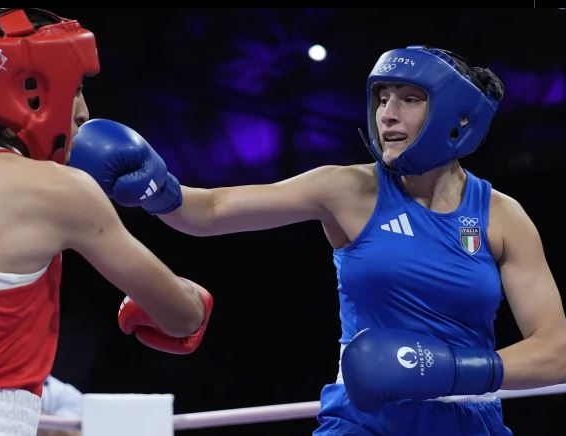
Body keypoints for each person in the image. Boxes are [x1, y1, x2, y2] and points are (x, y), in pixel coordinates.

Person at [69, 45, 566, 435]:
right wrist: (160, 190)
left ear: (458, 117)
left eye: (409, 99)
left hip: (472, 423)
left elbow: (557, 351)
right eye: (382, 97)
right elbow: (211, 210)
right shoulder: (348, 189)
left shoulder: (502, 216)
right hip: (361, 422)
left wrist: (453, 370)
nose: (387, 114)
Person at [0, 8, 213, 436]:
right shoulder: (60, 188)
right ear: (31, 90)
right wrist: (192, 296)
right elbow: (182, 317)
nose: (83, 113)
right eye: (75, 90)